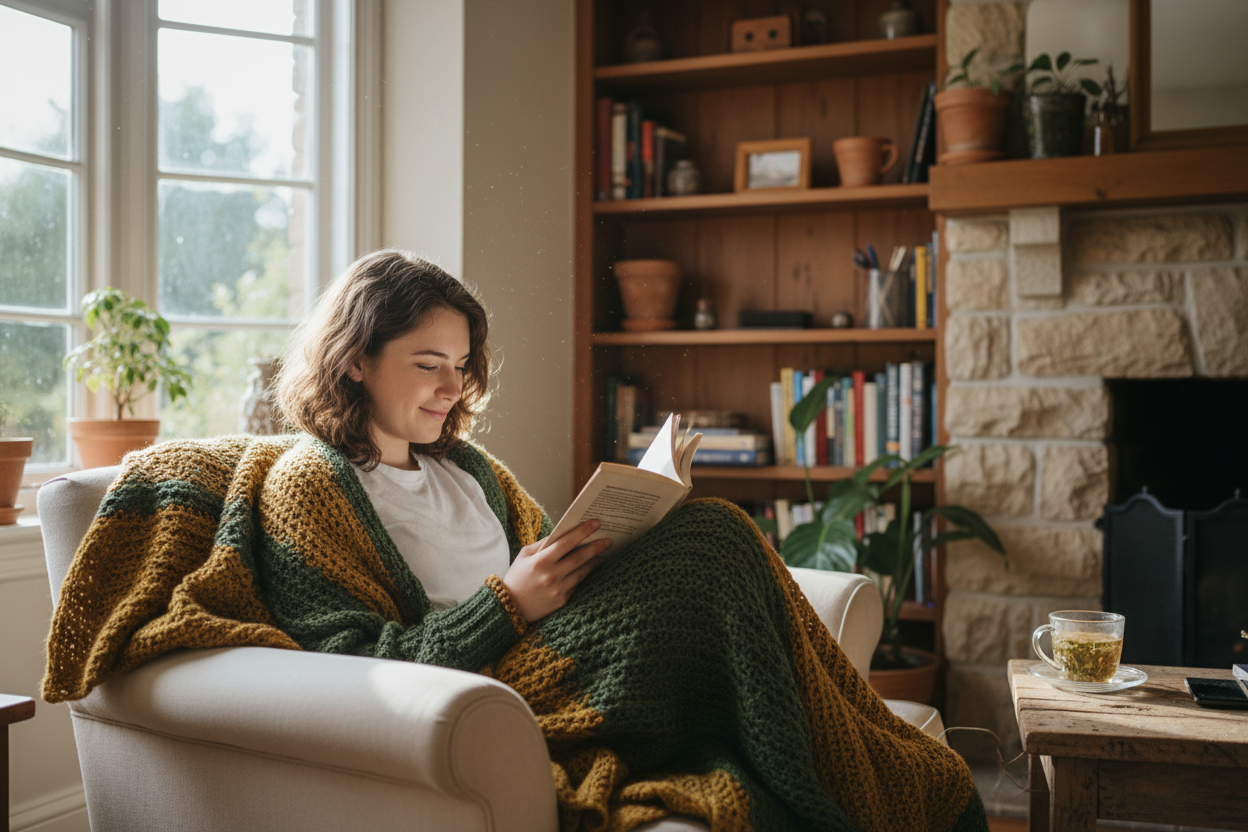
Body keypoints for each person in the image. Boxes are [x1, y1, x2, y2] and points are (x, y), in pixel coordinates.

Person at [45, 249, 988, 832]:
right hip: (490, 695)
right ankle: (851, 776)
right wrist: (512, 603)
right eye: (426, 364)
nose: (451, 387)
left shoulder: (472, 473)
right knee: (715, 546)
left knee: (706, 530)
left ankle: (841, 757)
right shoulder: (311, 488)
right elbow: (359, 662)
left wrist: (596, 550)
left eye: (461, 367)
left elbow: (557, 567)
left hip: (549, 655)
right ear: (356, 360)